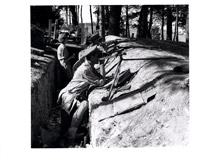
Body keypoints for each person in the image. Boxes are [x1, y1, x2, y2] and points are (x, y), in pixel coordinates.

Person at [56, 45, 106, 147]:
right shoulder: (85, 70)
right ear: (91, 57)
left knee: (65, 124)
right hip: (69, 95)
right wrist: (102, 66)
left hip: (73, 93)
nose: (98, 58)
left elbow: (99, 77)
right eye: (97, 56)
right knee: (84, 105)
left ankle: (69, 135)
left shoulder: (88, 66)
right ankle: (71, 137)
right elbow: (101, 82)